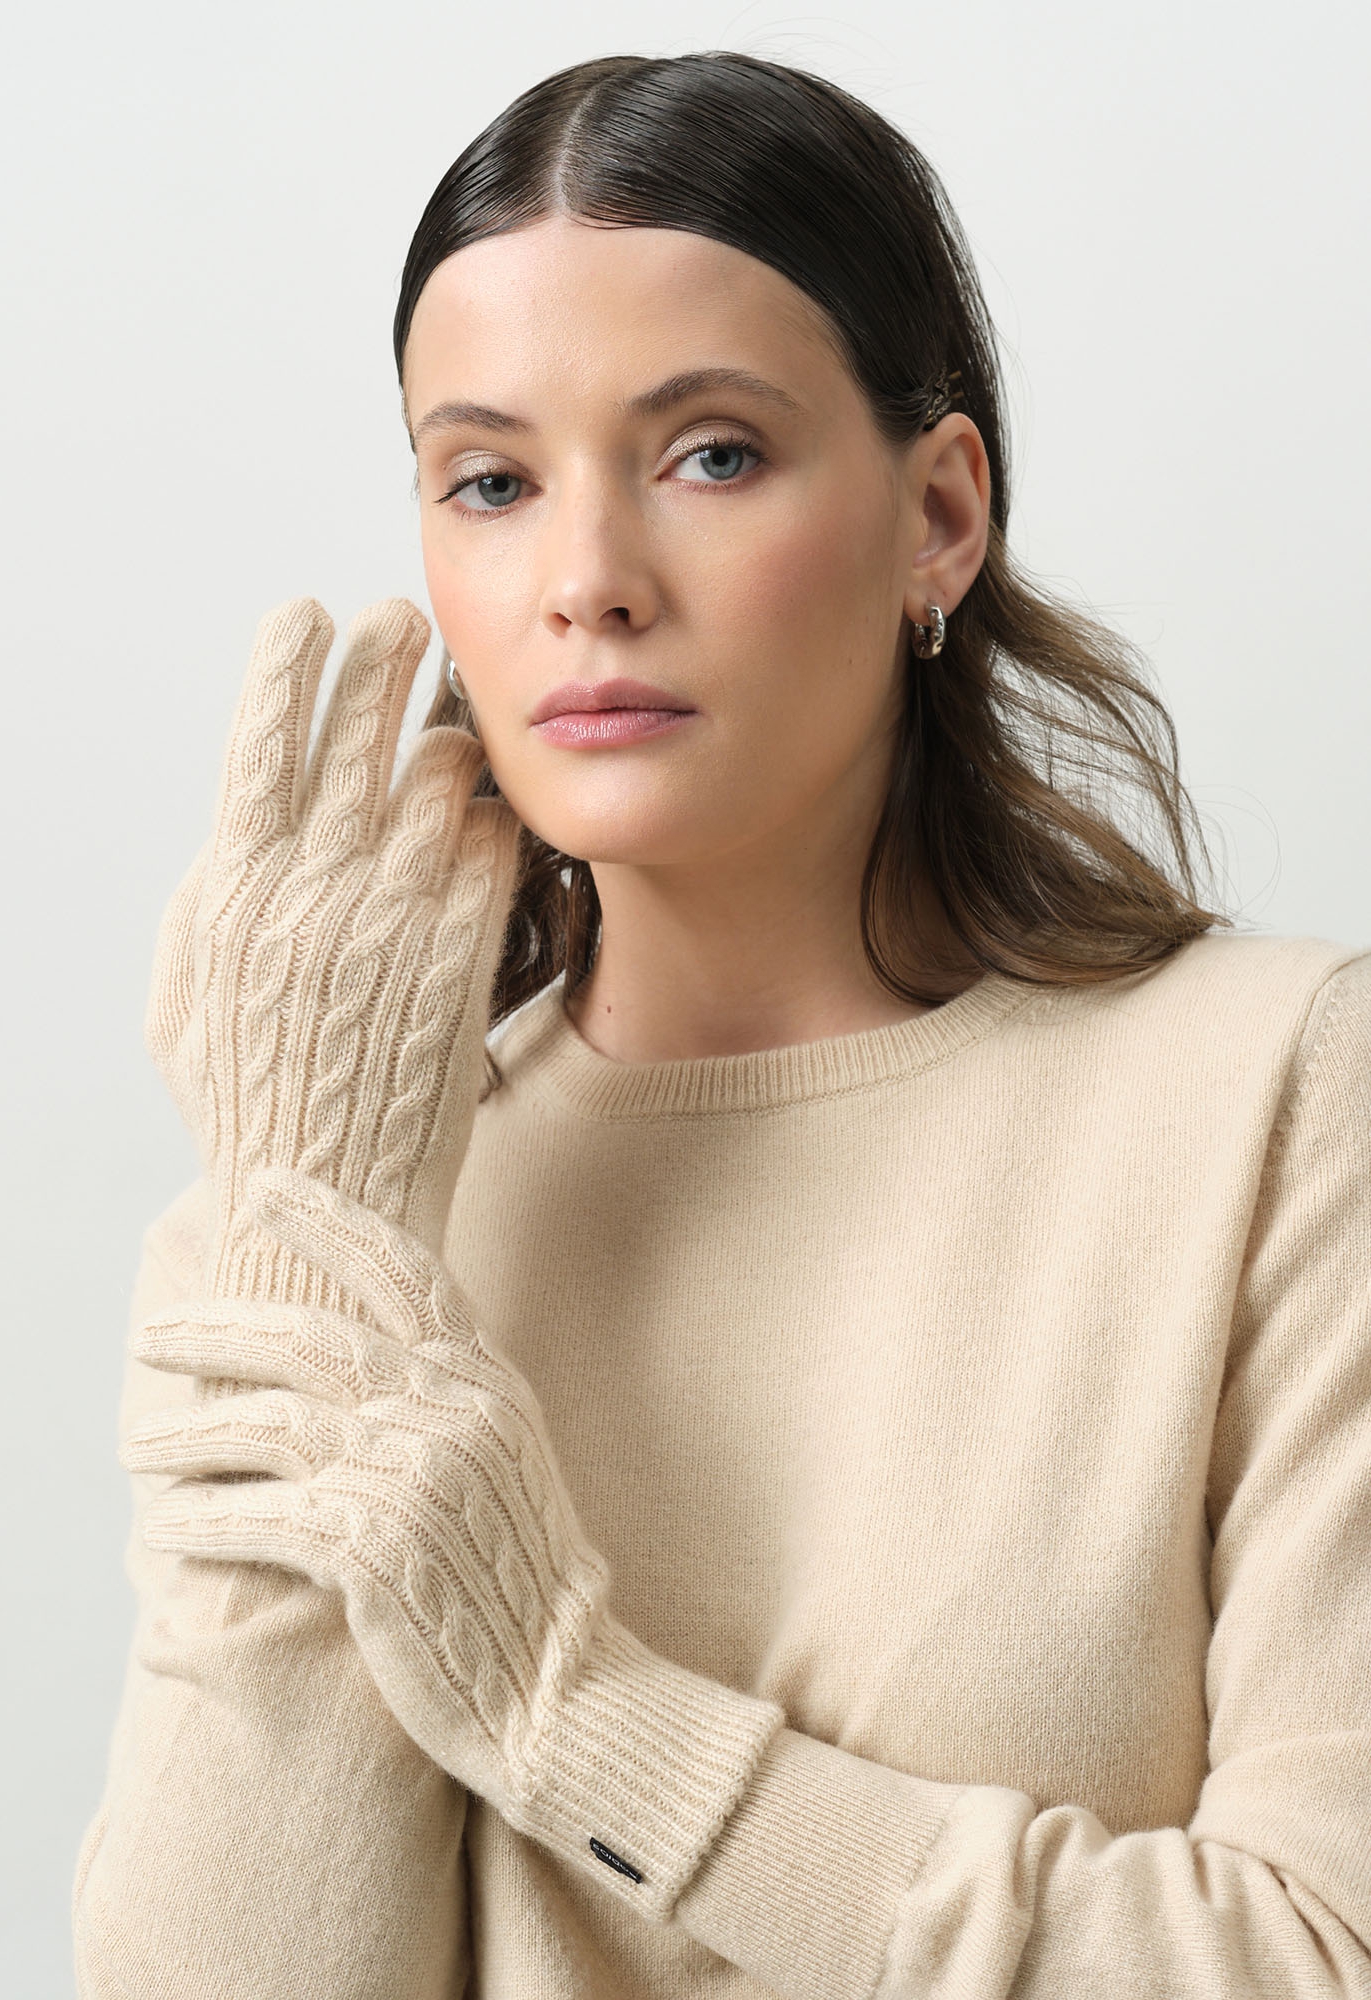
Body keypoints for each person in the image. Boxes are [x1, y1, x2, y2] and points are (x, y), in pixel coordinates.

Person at [72, 49, 1371, 2000]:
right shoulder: (342, 1215)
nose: (587, 582)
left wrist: (569, 1706)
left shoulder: (1276, 1097)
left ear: (939, 514)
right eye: (492, 482)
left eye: (710, 456)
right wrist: (306, 1235)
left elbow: (1315, 1959)